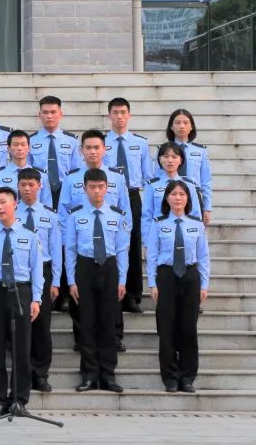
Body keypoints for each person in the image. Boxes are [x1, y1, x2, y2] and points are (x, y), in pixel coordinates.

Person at [0, 187, 43, 416]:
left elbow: (37, 270)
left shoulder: (30, 235)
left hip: (20, 292)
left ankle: (19, 400)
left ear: (15, 203)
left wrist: (36, 299)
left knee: (21, 349)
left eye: (3, 202)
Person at [56, 129, 130, 336]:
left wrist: (124, 237)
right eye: (88, 148)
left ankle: (115, 336)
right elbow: (63, 212)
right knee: (80, 299)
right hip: (82, 246)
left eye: (97, 147)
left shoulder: (116, 177)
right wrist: (68, 241)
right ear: (81, 150)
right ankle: (82, 339)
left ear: (105, 149)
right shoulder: (71, 178)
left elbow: (125, 210)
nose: (92, 152)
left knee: (112, 300)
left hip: (110, 244)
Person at [65, 169, 129, 393]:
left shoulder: (117, 215)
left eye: (101, 187)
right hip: (85, 268)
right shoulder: (75, 215)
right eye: (92, 187)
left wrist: (122, 280)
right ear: (85, 189)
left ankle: (108, 375)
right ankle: (89, 375)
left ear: (107, 188)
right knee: (87, 323)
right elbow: (70, 249)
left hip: (109, 268)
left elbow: (122, 250)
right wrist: (71, 281)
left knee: (108, 324)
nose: (97, 191)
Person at [145, 180, 210, 393]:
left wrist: (204, 284)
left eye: (182, 194)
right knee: (166, 329)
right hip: (166, 276)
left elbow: (203, 256)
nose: (178, 198)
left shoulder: (196, 224)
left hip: (190, 277)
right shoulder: (158, 223)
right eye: (173, 194)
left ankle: (188, 377)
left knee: (189, 329)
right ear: (167, 198)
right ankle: (171, 377)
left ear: (188, 198)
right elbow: (152, 255)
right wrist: (152, 282)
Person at [104, 97, 153, 315]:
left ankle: (132, 295)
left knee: (132, 244)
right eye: (115, 112)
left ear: (129, 115)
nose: (119, 117)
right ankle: (112, 291)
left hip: (132, 197)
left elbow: (148, 176)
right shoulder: (101, 143)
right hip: (108, 197)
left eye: (123, 112)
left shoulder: (140, 143)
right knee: (111, 243)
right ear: (109, 115)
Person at [16, 168, 61, 393]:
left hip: (43, 271)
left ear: (40, 186)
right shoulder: (11, 212)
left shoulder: (50, 215)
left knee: (42, 325)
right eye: (23, 185)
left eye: (31, 185)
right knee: (20, 325)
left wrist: (56, 281)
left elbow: (56, 249)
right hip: (19, 274)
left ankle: (40, 374)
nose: (27, 189)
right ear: (18, 187)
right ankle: (21, 374)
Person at [141, 143, 205, 243]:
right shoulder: (152, 185)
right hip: (159, 235)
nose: (170, 160)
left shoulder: (189, 185)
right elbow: (147, 216)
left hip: (186, 236)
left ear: (181, 160)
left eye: (174, 157)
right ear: (159, 159)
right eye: (166, 156)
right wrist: (147, 241)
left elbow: (195, 215)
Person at [28, 95, 82, 211]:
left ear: (60, 114)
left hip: (65, 190)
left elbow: (76, 170)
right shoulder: (30, 141)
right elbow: (27, 169)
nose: (49, 116)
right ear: (39, 115)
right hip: (40, 191)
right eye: (45, 112)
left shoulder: (71, 141)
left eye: (53, 112)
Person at [167, 109, 212, 225]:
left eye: (186, 122)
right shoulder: (163, 150)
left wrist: (207, 208)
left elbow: (206, 181)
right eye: (177, 123)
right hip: (171, 197)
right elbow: (158, 177)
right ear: (171, 126)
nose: (181, 126)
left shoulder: (200, 150)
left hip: (194, 197)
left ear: (191, 127)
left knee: (194, 232)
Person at [0, 130, 54, 208]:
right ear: (8, 149)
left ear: (29, 148)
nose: (20, 148)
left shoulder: (42, 175)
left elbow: (47, 206)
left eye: (23, 144)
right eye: (16, 145)